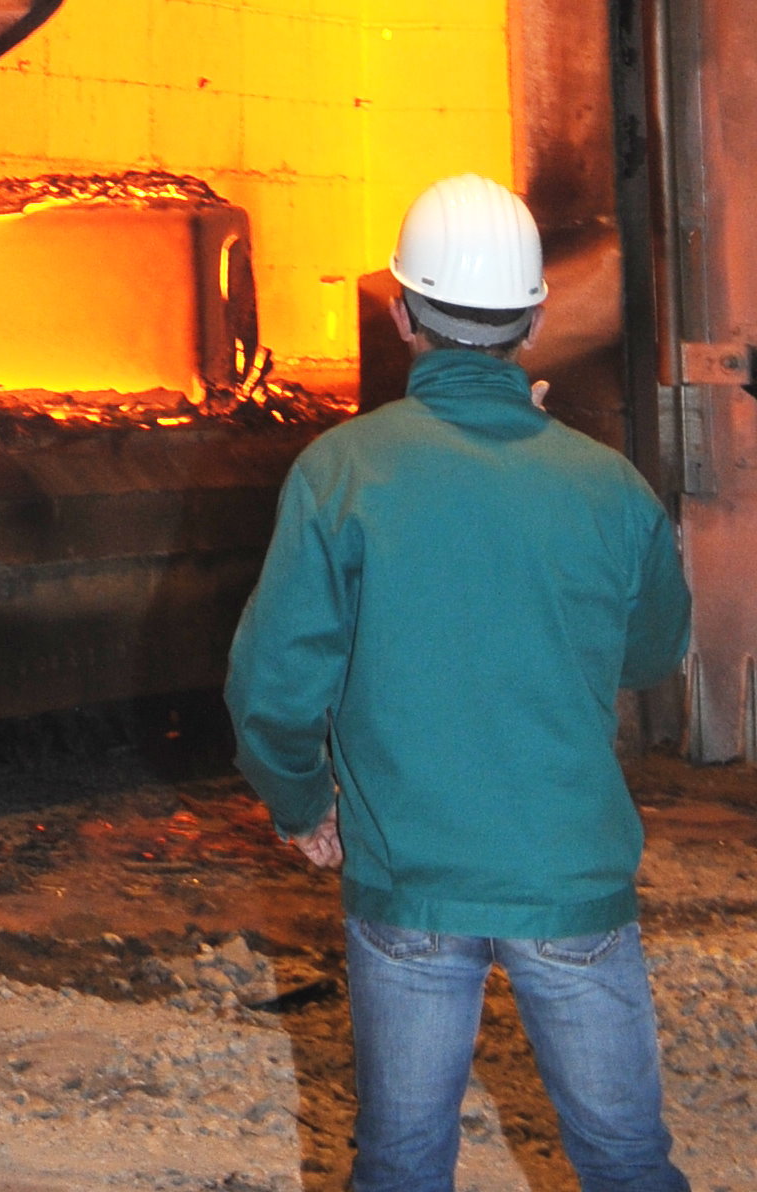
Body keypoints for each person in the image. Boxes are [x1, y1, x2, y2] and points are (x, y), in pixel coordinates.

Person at [225, 172, 695, 1192]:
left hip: (410, 878)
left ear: (402, 314)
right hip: (569, 879)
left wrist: (303, 804)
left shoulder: (342, 471)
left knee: (400, 1163)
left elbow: (270, 688)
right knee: (625, 1161)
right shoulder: (609, 485)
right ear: (535, 318)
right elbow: (653, 653)